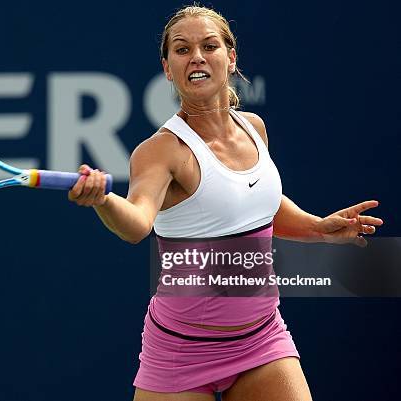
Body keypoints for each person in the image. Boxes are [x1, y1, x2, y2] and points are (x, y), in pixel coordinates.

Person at [67, 5, 383, 401]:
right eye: (181, 50)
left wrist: (318, 227)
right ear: (168, 68)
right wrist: (104, 200)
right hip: (182, 350)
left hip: (262, 339)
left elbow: (254, 204)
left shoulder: (253, 128)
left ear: (230, 58)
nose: (196, 56)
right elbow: (136, 223)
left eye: (209, 45)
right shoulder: (161, 151)